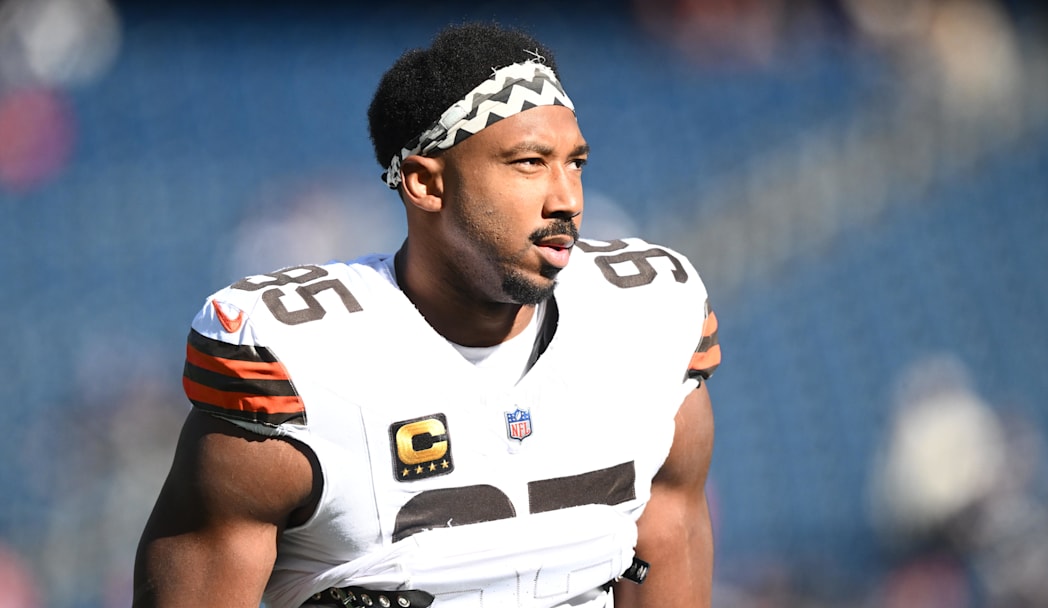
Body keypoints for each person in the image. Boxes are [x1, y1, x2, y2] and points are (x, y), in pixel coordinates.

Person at [134, 21, 720, 608]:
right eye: (529, 163)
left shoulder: (650, 315)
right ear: (424, 184)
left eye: (576, 163)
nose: (567, 198)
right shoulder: (298, 361)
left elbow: (669, 538)